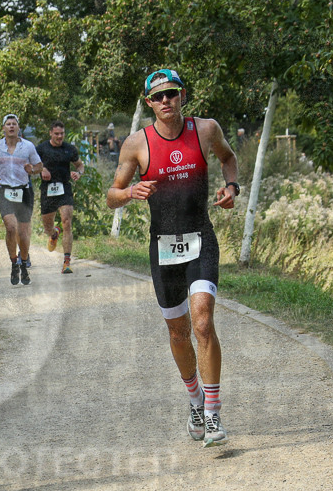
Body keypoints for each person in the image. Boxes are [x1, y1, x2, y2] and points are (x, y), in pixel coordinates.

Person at [105, 69, 240, 447]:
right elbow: (111, 195)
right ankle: (194, 398)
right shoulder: (136, 144)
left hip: (201, 238)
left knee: (202, 322)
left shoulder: (206, 129)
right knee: (179, 333)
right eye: (158, 97)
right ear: (149, 103)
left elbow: (229, 159)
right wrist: (130, 191)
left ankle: (212, 415)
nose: (166, 101)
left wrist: (232, 186)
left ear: (182, 96)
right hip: (163, 247)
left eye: (172, 94)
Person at [0, 113, 42, 285]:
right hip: (5, 191)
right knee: (11, 228)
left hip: (24, 192)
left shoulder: (28, 146)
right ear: (3, 128)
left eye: (14, 124)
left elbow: (40, 166)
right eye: (8, 124)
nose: (11, 126)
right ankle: (14, 263)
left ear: (18, 127)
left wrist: (31, 170)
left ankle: (24, 264)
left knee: (23, 233)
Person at [33, 121, 85, 274]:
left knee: (67, 222)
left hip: (64, 189)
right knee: (47, 226)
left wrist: (79, 173)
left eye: (62, 133)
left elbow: (80, 165)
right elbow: (31, 166)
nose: (59, 136)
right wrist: (42, 169)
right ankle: (53, 234)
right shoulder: (41, 149)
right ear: (50, 133)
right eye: (56, 133)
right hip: (47, 190)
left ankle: (67, 262)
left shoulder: (69, 149)